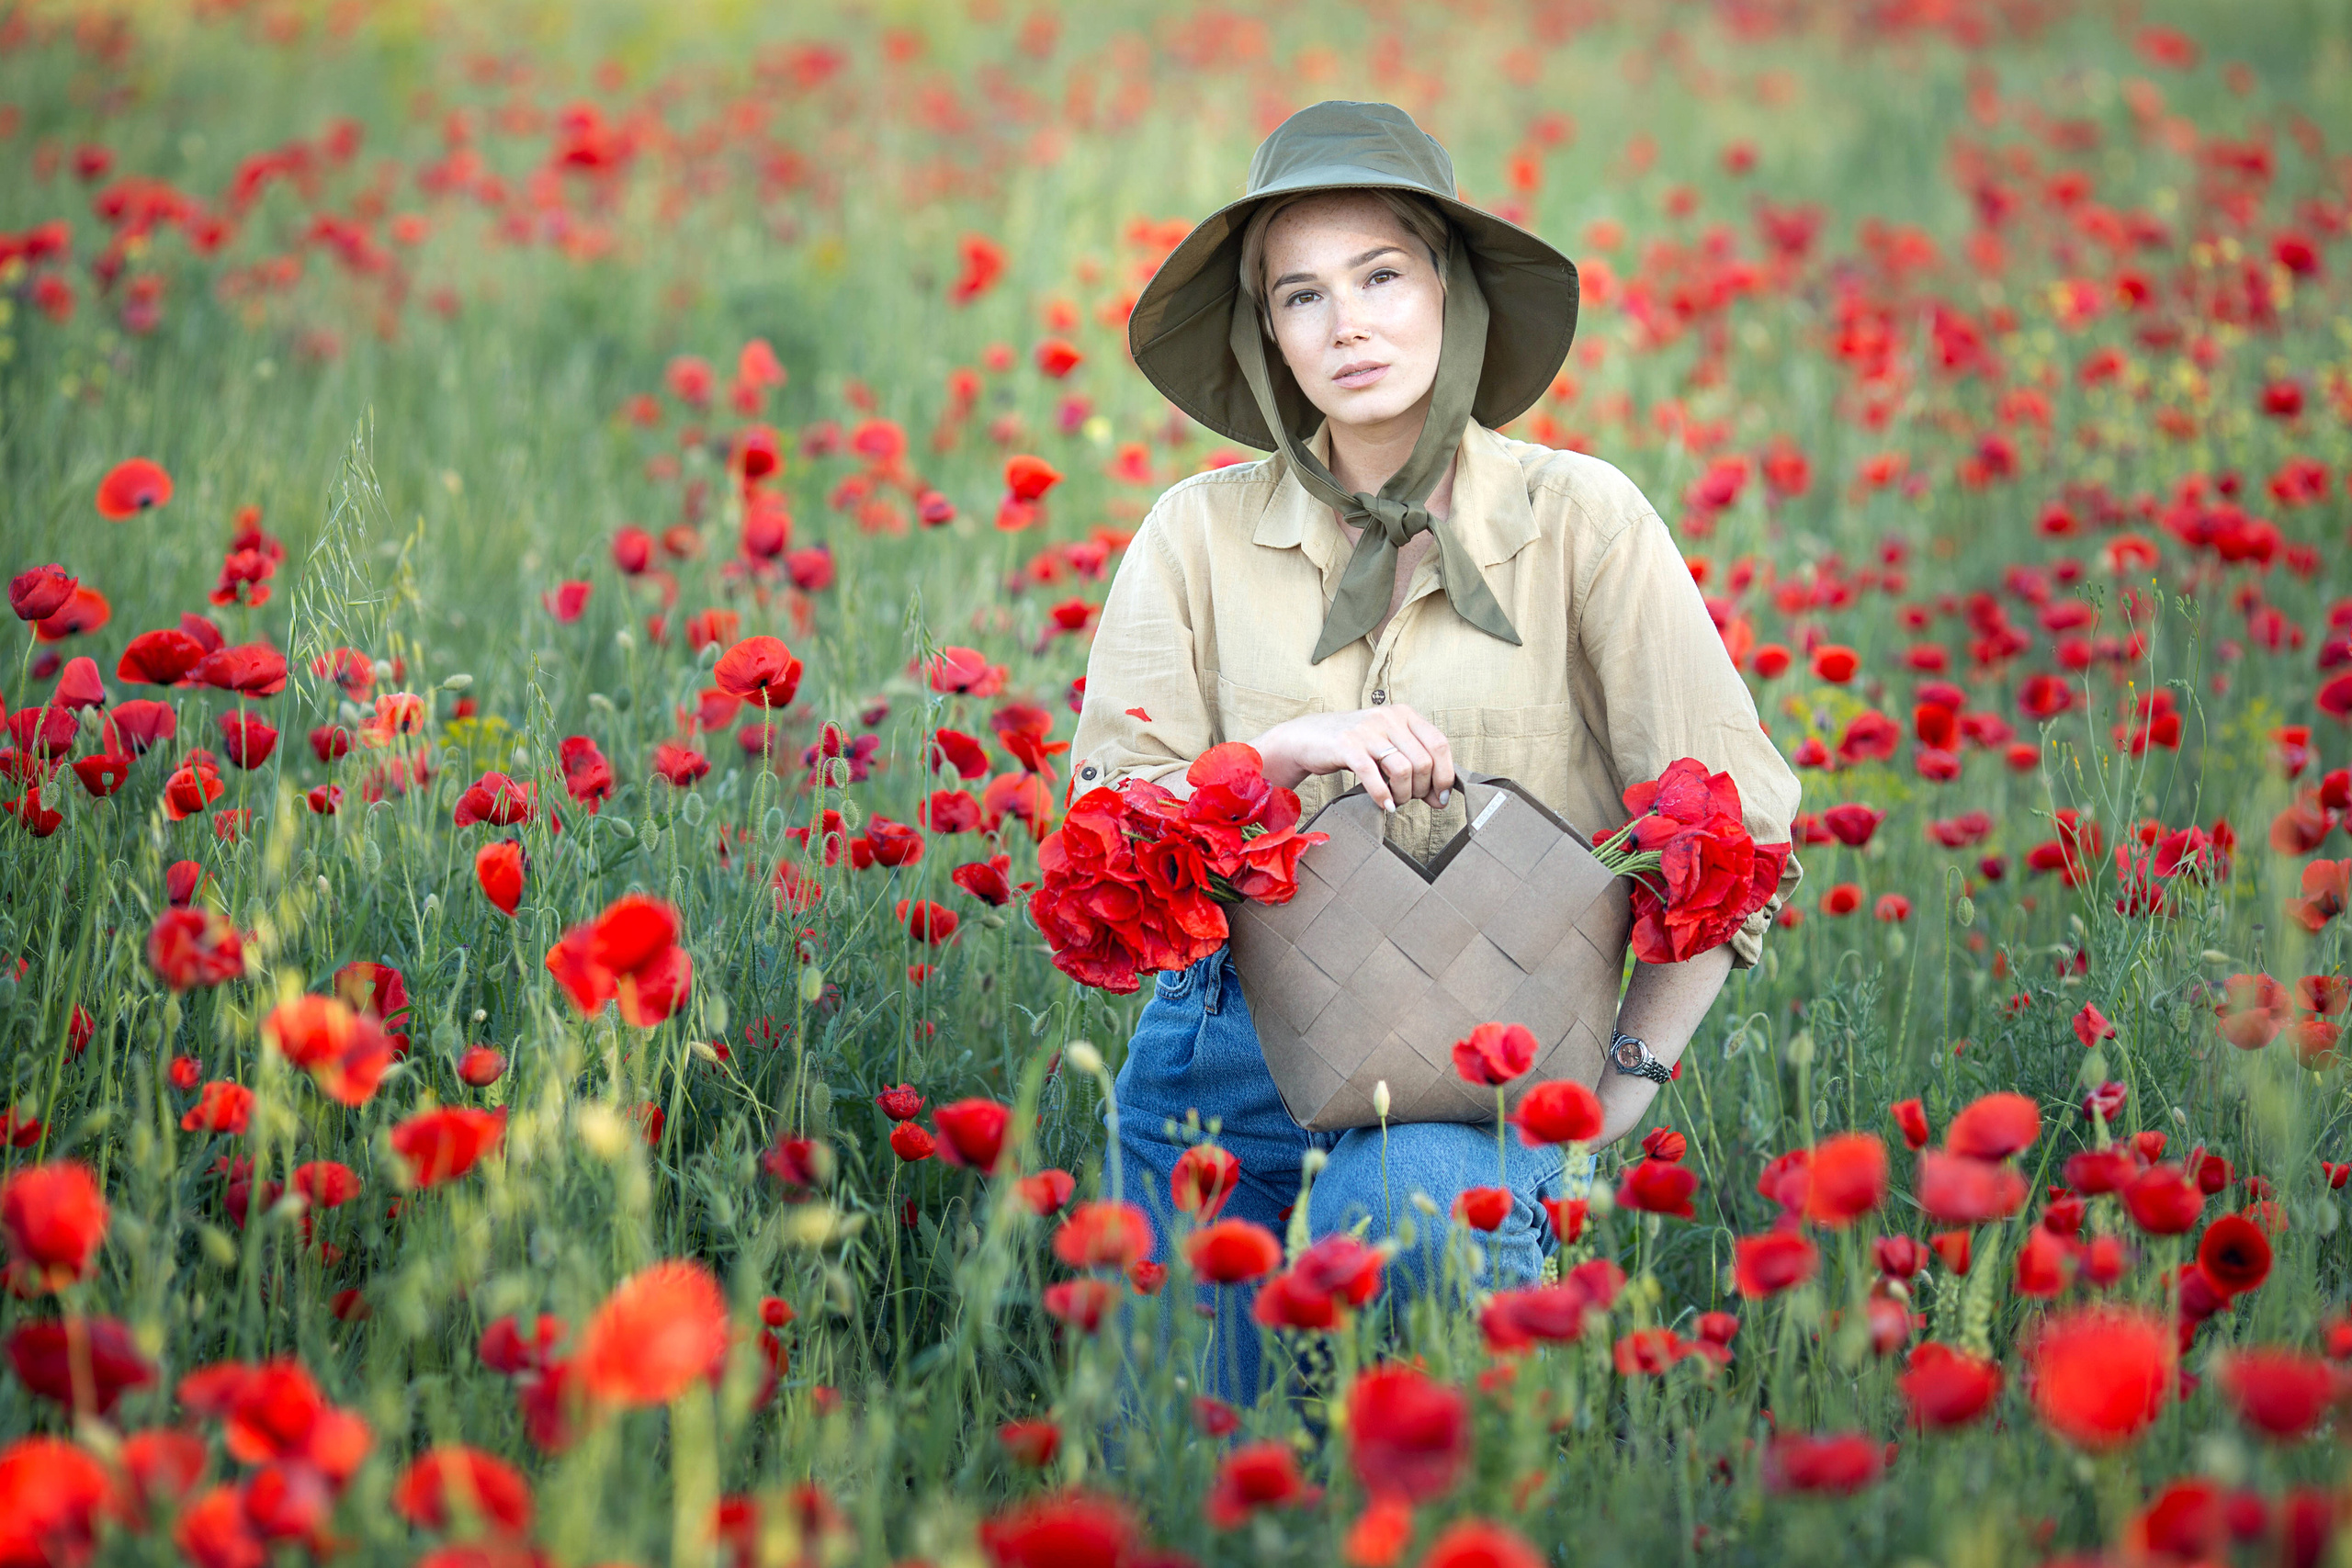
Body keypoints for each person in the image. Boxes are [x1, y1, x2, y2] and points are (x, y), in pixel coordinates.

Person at [1070, 100, 1803, 1397]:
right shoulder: (1190, 537)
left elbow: (1734, 823)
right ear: (1267, 336)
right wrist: (1285, 753)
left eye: (1381, 275)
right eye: (1300, 296)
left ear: (1451, 293)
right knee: (1196, 1478)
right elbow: (1109, 836)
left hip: (1482, 1052)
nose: (1345, 323)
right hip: (1222, 1044)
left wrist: (1624, 1073)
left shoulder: (1582, 522)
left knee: (1413, 1232)